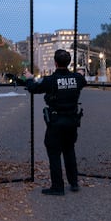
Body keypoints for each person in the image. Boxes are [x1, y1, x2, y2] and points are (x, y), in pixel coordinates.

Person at [24, 49, 87, 196]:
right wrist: (80, 74)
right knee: (69, 150)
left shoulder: (50, 80)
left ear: (55, 62)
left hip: (56, 121)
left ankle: (58, 187)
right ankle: (74, 182)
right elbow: (82, 80)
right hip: (72, 121)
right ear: (69, 62)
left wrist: (29, 77)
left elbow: (33, 88)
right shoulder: (77, 78)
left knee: (54, 153)